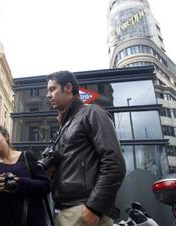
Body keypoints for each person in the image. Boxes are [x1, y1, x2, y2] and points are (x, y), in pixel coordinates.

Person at [46, 71, 126, 226]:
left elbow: (114, 164)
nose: (48, 95)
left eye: (52, 89)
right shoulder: (66, 126)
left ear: (68, 87)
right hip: (64, 211)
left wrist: (95, 207)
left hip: (82, 210)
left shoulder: (92, 112)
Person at [0, 125, 51, 226]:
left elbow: (46, 186)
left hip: (30, 220)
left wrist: (19, 182)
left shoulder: (27, 157)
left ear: (6, 137)